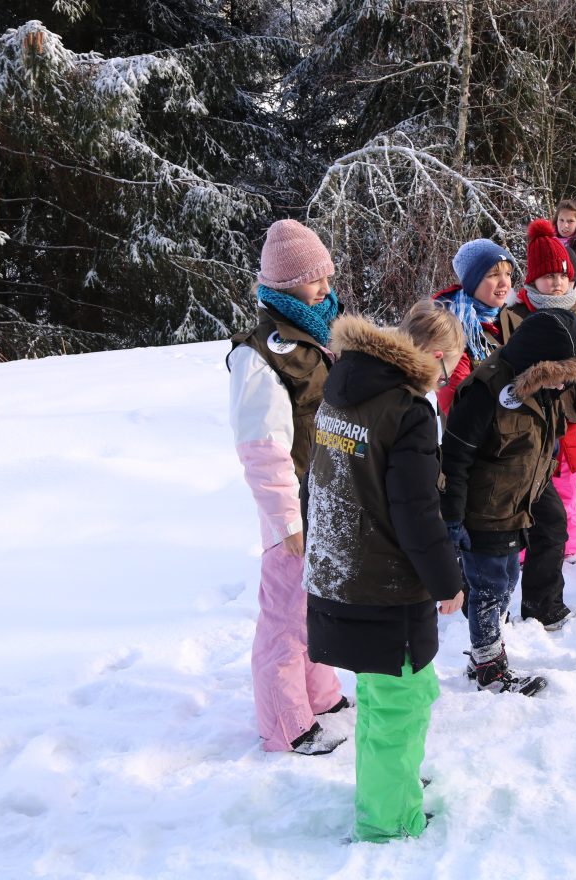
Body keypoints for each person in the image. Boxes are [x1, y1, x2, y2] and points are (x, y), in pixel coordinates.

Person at [302, 301, 466, 842]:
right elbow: (417, 511)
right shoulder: (406, 410)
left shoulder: (344, 386)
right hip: (384, 586)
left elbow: (318, 481)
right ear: (436, 359)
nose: (444, 383)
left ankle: (387, 792)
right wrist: (447, 581)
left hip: (340, 573)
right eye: (450, 372)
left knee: (379, 696)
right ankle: (388, 821)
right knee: (402, 702)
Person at [440, 309, 576, 693]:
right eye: (563, 375)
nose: (566, 385)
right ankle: (488, 668)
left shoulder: (546, 389)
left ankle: (489, 650)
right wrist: (452, 521)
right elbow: (455, 459)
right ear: (540, 364)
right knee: (489, 587)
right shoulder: (484, 392)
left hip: (518, 505)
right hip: (485, 509)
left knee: (507, 579)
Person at [226, 218, 345, 756]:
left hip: (326, 497)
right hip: (293, 508)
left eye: (326, 274)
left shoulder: (321, 334)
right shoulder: (260, 355)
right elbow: (263, 449)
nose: (325, 285)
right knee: (284, 617)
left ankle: (317, 692)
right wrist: (285, 522)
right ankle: (284, 722)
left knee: (315, 605)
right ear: (283, 284)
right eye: (313, 279)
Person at [501, 218, 576, 627]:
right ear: (532, 280)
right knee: (530, 498)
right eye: (546, 277)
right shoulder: (515, 314)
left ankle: (548, 592)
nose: (556, 283)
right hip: (527, 424)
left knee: (565, 488)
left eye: (562, 275)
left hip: (569, 420)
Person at [433, 238, 518, 416]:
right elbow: (459, 404)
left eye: (508, 274)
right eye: (493, 275)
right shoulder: (450, 329)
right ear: (473, 281)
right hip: (479, 438)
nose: (504, 283)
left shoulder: (511, 319)